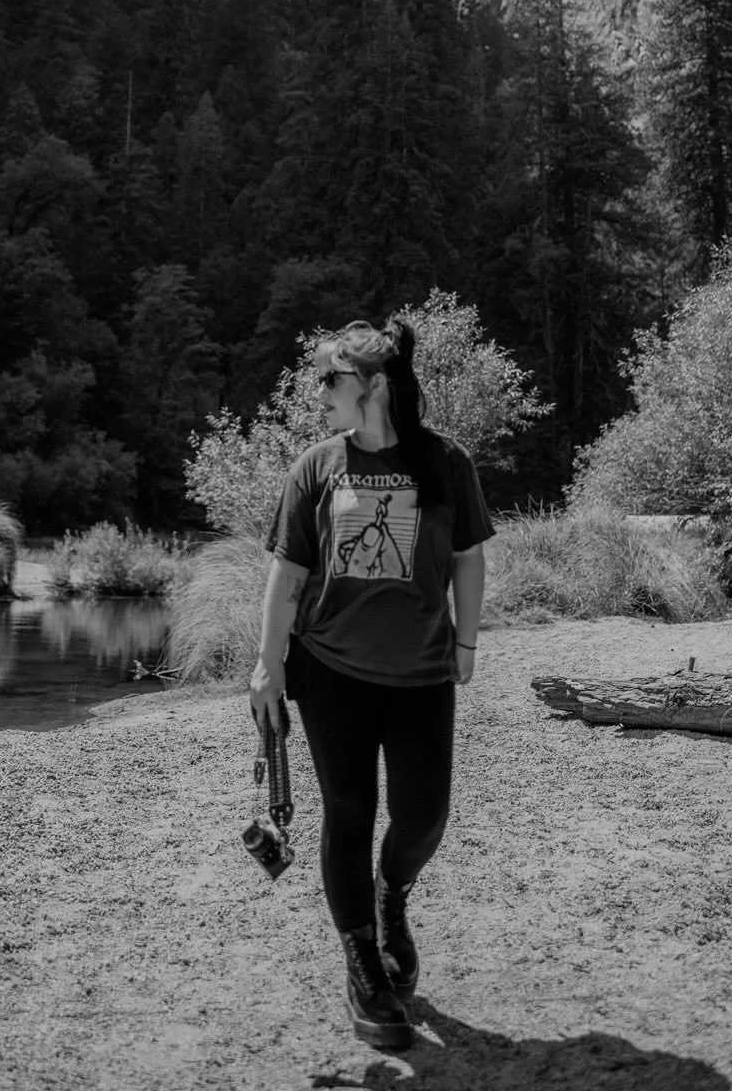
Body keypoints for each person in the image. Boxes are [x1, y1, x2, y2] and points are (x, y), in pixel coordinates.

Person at [249, 315, 493, 1053]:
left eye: (331, 378)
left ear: (375, 385)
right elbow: (288, 571)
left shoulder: (444, 462)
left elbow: (468, 557)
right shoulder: (315, 466)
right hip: (331, 671)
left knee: (423, 818)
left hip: (422, 671)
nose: (319, 391)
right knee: (349, 812)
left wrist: (466, 640)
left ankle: (392, 896)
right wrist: (268, 662)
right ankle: (363, 966)